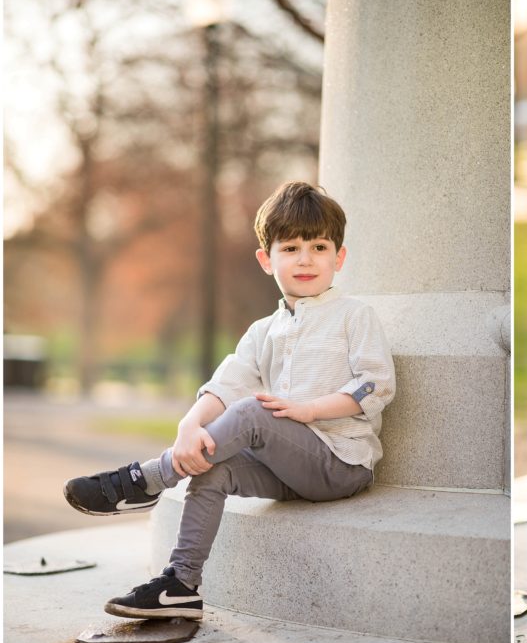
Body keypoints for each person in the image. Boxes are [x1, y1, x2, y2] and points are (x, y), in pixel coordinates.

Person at [64, 181, 395, 620]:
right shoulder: (264, 330)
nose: (305, 259)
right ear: (266, 259)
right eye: (291, 247)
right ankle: (180, 585)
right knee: (213, 470)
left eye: (319, 247)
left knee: (256, 412)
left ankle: (147, 479)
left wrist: (311, 410)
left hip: (340, 463)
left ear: (339, 257)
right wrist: (189, 426)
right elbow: (228, 384)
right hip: (289, 472)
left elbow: (376, 383)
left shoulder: (354, 315)